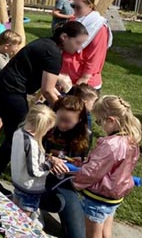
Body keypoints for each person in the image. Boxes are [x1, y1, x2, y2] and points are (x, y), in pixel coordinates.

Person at [0, 21, 88, 197]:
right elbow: (48, 91)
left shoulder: (48, 45)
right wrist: (69, 111)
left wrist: (62, 96)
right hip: (10, 92)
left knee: (15, 134)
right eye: (78, 43)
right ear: (64, 37)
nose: (79, 49)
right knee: (20, 135)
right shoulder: (53, 54)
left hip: (5, 90)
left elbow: (47, 86)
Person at [73, 95, 141, 238]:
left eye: (99, 121)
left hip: (98, 197)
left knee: (93, 234)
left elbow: (92, 172)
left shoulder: (110, 144)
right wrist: (85, 161)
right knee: (106, 232)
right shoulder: (131, 140)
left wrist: (76, 181)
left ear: (111, 120)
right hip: (114, 196)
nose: (99, 125)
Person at [41, 94, 92, 238]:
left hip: (65, 183)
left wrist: (75, 165)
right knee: (57, 202)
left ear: (79, 120)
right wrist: (50, 159)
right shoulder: (46, 125)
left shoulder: (85, 135)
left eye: (68, 122)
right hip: (40, 177)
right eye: (60, 119)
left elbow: (80, 165)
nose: (62, 125)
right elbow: (31, 152)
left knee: (78, 235)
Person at [11, 105, 62, 218]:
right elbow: (35, 171)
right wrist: (51, 163)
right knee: (24, 219)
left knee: (14, 212)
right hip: (30, 188)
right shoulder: (32, 144)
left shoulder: (18, 132)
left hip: (18, 181)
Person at [61, 0, 112, 91]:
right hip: (65, 79)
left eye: (78, 7)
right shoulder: (74, 20)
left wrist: (84, 78)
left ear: (90, 6)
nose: (74, 9)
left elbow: (96, 55)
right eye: (73, 6)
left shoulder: (99, 27)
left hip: (83, 84)